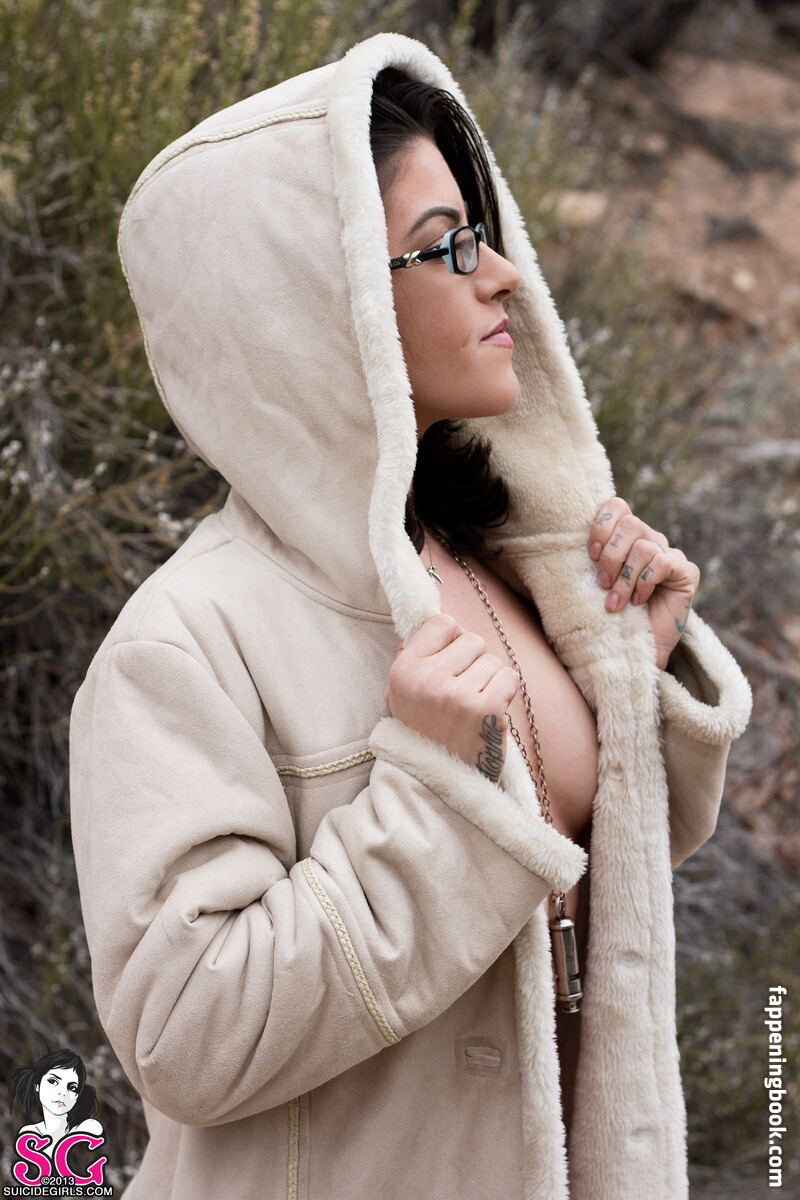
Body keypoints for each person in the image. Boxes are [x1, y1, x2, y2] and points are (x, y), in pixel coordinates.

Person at [68, 32, 752, 1200]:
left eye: (486, 235)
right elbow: (184, 1037)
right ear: (312, 305)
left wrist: (625, 683)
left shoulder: (496, 559)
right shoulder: (182, 641)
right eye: (446, 247)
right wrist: (432, 798)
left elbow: (565, 902)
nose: (505, 277)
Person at [8, 1048, 103, 1156]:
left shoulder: (89, 1129)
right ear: (37, 1085)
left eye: (72, 1087)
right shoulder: (27, 1135)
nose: (62, 1093)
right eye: (53, 1081)